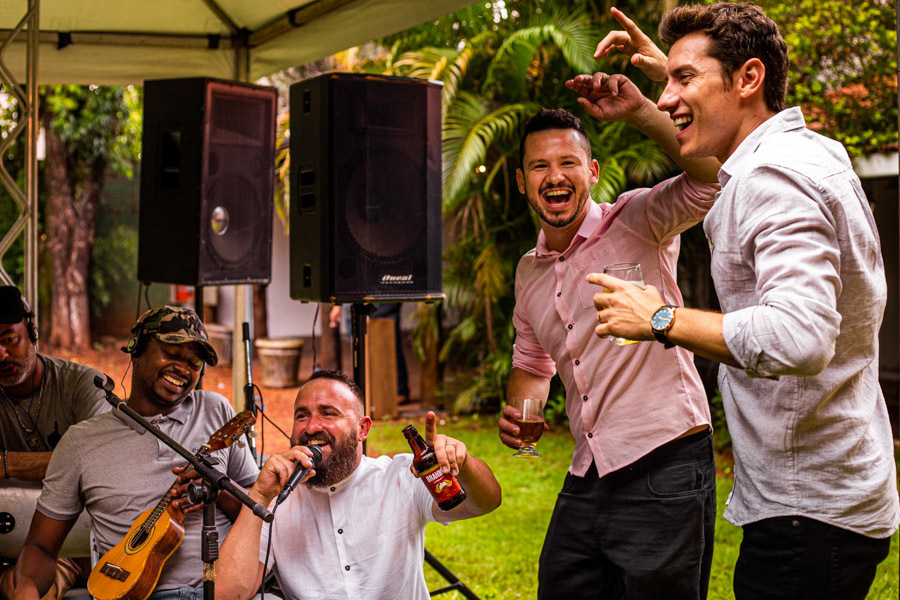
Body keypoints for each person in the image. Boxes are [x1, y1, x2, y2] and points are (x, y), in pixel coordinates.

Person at [587, 4, 899, 599]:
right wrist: (674, 83)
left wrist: (660, 318)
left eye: (686, 78)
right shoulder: (812, 152)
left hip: (806, 513)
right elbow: (721, 155)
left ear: (748, 78)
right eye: (670, 78)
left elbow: (798, 337)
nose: (671, 95)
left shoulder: (771, 179)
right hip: (839, 488)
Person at [497, 62, 722, 597]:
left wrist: (643, 110)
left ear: (592, 171)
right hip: (589, 469)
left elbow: (713, 174)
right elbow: (531, 366)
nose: (555, 176)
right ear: (522, 180)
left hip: (665, 459)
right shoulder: (528, 273)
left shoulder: (640, 220)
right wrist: (520, 413)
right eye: (540, 166)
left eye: (568, 162)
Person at [10, 306, 259, 600]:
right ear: (136, 350)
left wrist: (217, 488)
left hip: (224, 589)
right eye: (171, 354)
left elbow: (257, 509)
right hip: (132, 592)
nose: (183, 368)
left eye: (194, 363)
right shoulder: (81, 441)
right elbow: (40, 547)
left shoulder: (216, 410)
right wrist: (25, 591)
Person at [215, 369, 502, 599]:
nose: (312, 427)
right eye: (302, 415)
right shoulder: (278, 500)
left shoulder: (402, 476)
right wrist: (259, 495)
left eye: (328, 413)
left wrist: (463, 464)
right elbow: (226, 594)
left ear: (362, 428)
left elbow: (486, 501)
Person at [0, 285, 110, 600]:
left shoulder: (82, 385)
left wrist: (7, 463)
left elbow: (98, 457)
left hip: (70, 545)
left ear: (32, 334)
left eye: (10, 340)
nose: (2, 355)